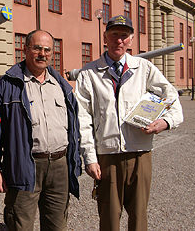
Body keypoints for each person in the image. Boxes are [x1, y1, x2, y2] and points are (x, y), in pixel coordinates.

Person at [75, 15, 184, 231]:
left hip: (140, 153)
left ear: (131, 40)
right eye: (114, 35)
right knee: (109, 217)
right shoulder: (88, 74)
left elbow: (171, 96)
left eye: (124, 36)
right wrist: (90, 158)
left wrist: (166, 122)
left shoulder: (144, 68)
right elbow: (82, 120)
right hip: (107, 157)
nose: (119, 40)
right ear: (105, 38)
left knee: (139, 216)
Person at [0, 30, 81, 231]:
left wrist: (77, 159)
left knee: (57, 225)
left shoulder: (61, 85)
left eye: (48, 50)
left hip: (59, 166)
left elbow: (74, 127)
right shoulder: (7, 84)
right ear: (26, 49)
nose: (43, 53)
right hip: (23, 165)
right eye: (37, 48)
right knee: (20, 224)